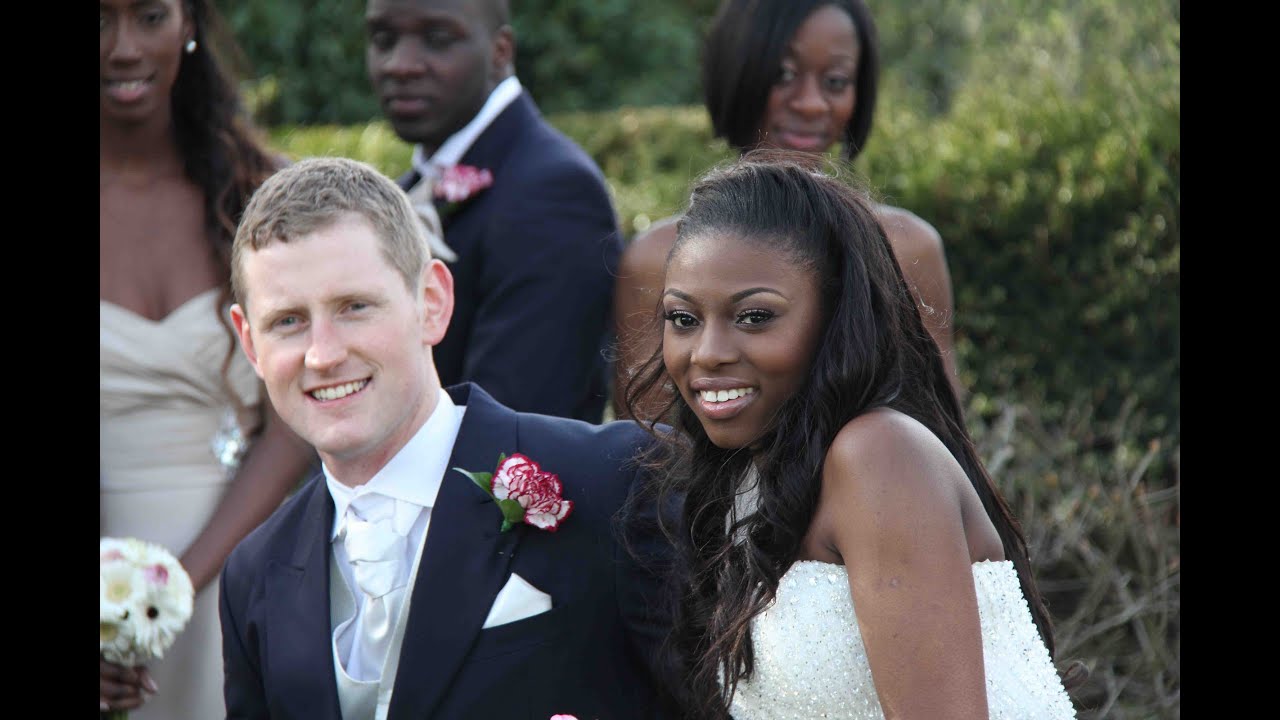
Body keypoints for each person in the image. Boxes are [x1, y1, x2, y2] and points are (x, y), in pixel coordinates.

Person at [623, 151, 1080, 719]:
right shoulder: (749, 473)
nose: (707, 353)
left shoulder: (880, 456)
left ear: (835, 318)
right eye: (684, 319)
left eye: (755, 317)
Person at [219, 157, 668, 719]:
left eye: (354, 307)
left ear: (431, 302)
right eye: (288, 321)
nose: (323, 354)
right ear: (250, 342)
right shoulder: (253, 575)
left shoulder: (614, 481)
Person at [99, 0, 315, 717]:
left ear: (189, 24)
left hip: (242, 560)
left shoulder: (258, 195)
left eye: (149, 17)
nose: (122, 48)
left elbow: (294, 418)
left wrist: (176, 588)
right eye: (98, 20)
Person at [614, 0, 958, 420]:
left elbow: (940, 429)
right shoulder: (655, 259)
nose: (811, 104)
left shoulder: (907, 249)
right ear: (736, 72)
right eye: (783, 75)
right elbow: (648, 444)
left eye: (835, 81)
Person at [366, 0, 621, 423]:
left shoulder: (553, 192)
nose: (400, 64)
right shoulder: (410, 188)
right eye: (383, 39)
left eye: (437, 39)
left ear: (501, 51)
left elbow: (514, 426)